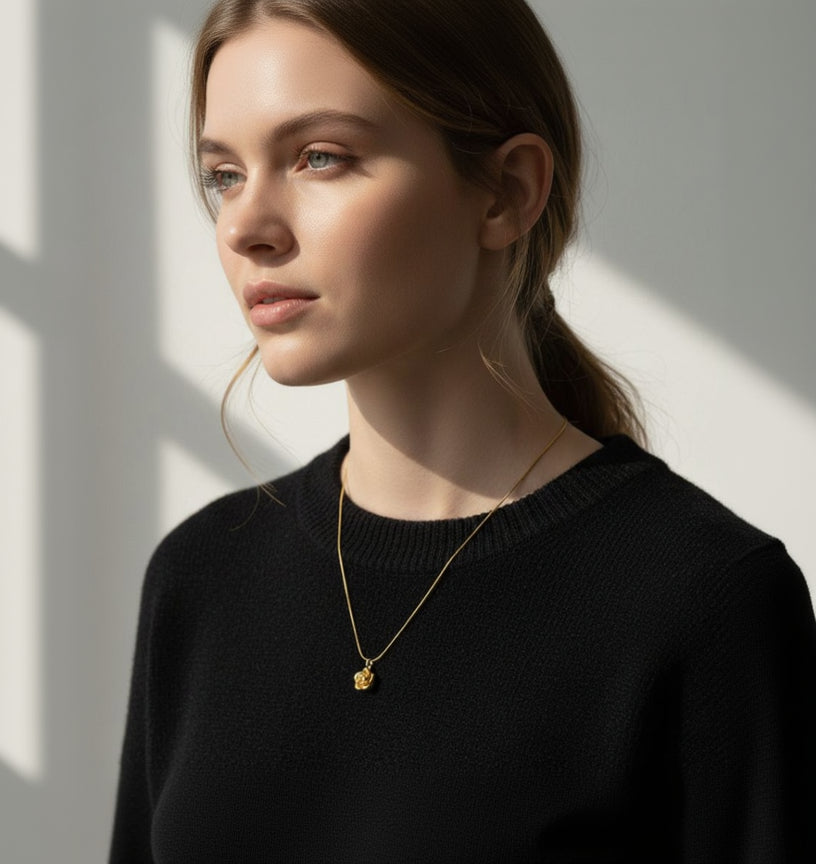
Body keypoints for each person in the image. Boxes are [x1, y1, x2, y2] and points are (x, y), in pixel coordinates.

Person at [109, 0, 816, 860]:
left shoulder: (703, 599)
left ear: (508, 191)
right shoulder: (202, 579)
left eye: (318, 157)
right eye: (224, 174)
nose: (243, 227)